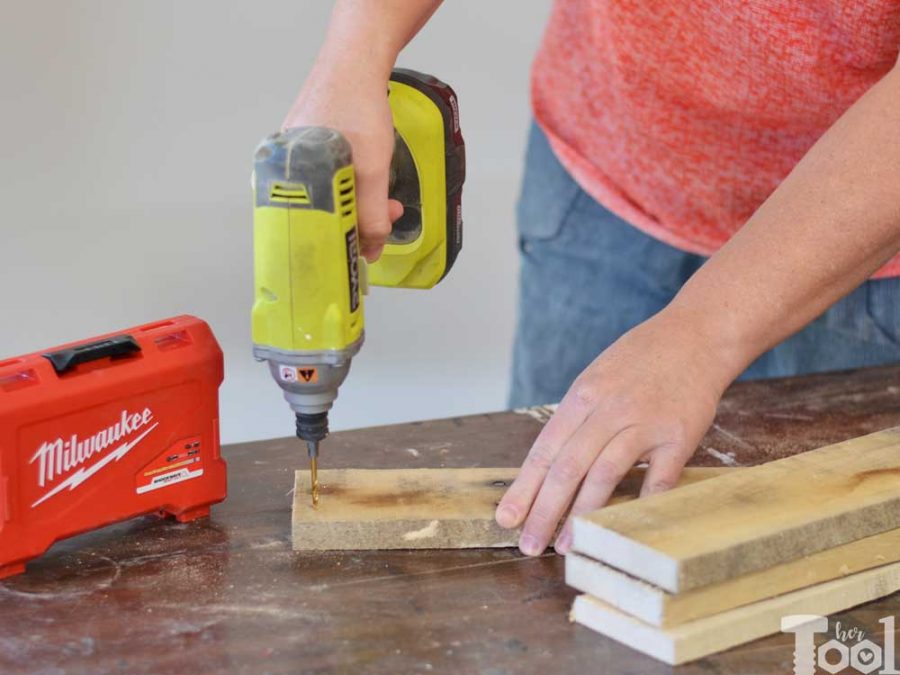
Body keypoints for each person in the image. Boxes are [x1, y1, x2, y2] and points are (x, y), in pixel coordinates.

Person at [285, 1, 900, 557]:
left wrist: (701, 334)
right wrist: (355, 52)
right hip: (603, 170)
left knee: (806, 571)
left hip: (861, 244)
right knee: (543, 522)